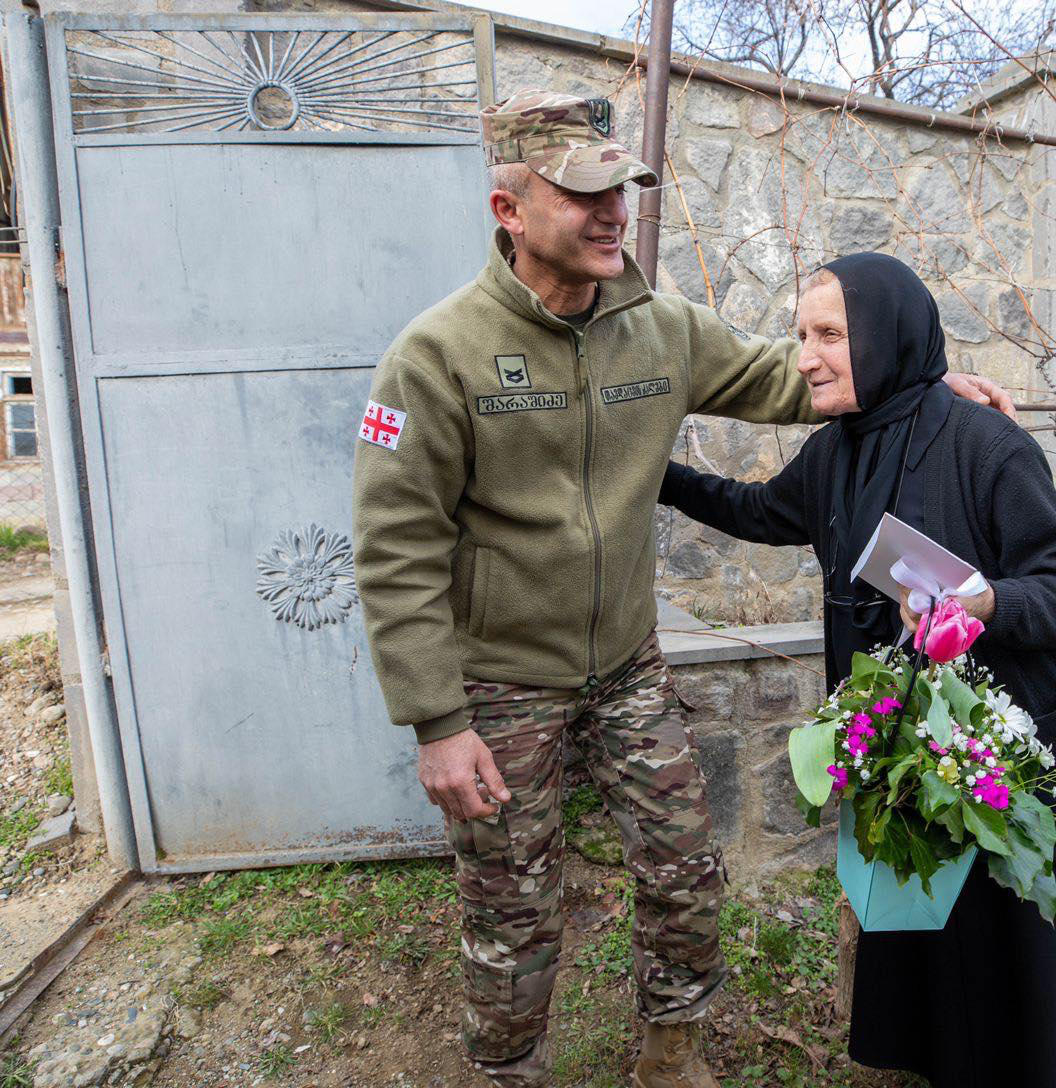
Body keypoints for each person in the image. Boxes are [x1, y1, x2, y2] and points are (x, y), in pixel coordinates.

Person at [351, 90, 1014, 1088]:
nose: (612, 209)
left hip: (625, 664)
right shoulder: (434, 357)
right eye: (582, 194)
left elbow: (785, 376)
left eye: (619, 186)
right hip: (498, 682)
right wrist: (438, 721)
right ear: (509, 210)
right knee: (511, 903)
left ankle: (671, 1049)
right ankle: (509, 1065)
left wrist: (920, 382)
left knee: (682, 865)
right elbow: (395, 546)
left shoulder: (658, 328)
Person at [658, 252, 1056, 1087]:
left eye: (830, 335)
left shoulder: (985, 445)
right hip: (921, 761)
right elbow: (755, 509)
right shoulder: (837, 452)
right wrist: (652, 477)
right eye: (801, 335)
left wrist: (983, 602)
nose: (805, 356)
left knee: (1023, 954)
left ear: (886, 337)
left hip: (1019, 755)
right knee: (953, 954)